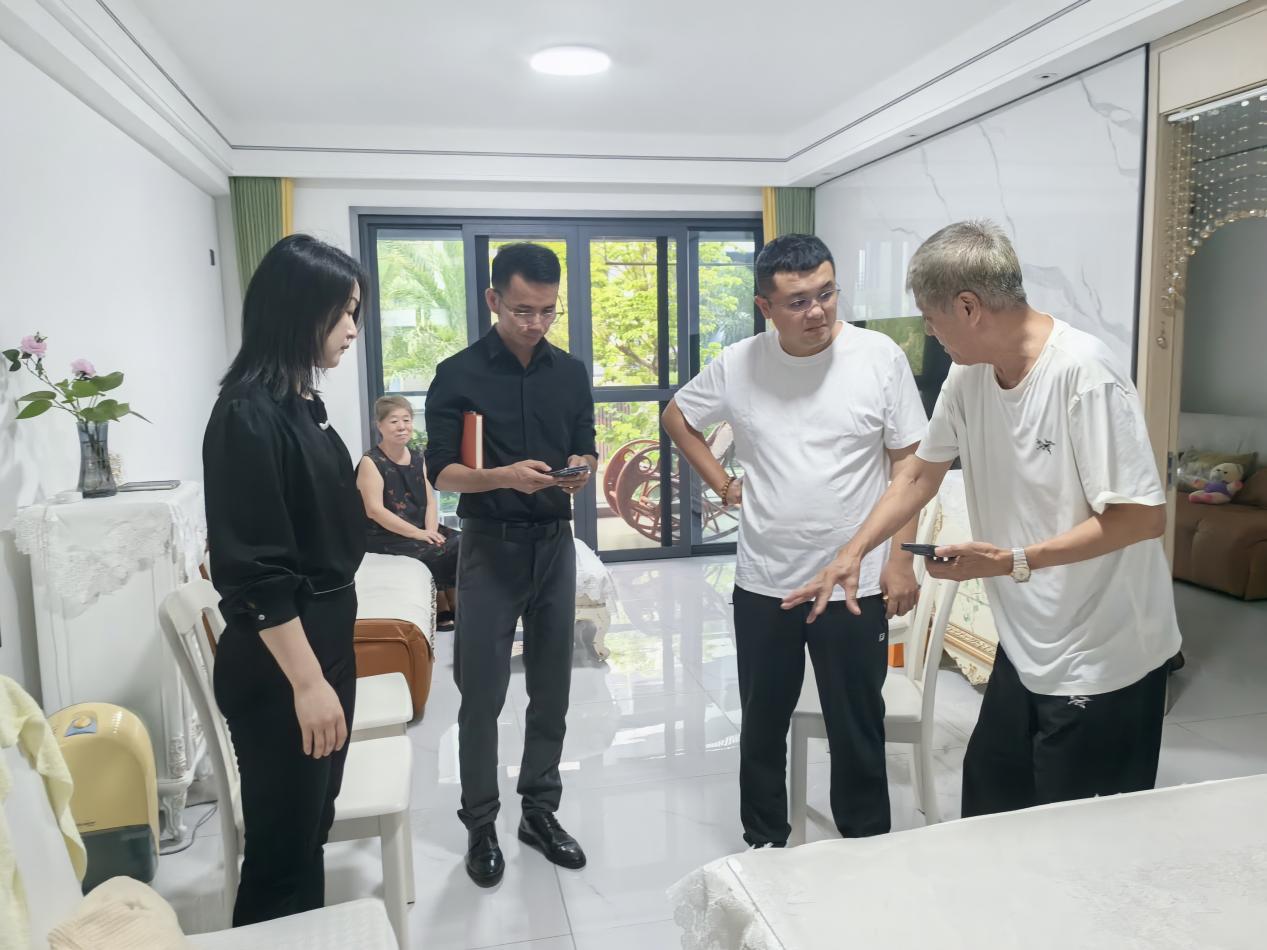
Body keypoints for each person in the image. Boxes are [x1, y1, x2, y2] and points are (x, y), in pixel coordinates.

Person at [784, 220, 1182, 818]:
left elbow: (1142, 517)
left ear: (968, 307)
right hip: (1027, 647)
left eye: (930, 317)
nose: (928, 330)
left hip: (1103, 658)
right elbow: (919, 475)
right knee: (990, 812)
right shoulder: (969, 374)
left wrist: (1015, 561)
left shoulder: (1084, 374)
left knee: (1076, 841)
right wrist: (854, 552)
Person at [663, 234, 928, 847]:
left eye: (827, 294)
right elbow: (677, 415)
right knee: (761, 725)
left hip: (855, 584)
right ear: (765, 307)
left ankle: (865, 845)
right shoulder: (739, 364)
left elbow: (909, 466)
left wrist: (899, 560)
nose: (817, 311)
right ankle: (765, 843)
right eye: (798, 301)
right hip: (765, 580)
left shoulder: (878, 357)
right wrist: (723, 482)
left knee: (857, 725)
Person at [203, 234, 367, 924]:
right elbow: (257, 572)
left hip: (324, 640)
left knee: (309, 834)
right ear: (300, 310)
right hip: (282, 666)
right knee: (280, 855)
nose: (353, 329)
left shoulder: (297, 403)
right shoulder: (247, 414)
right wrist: (307, 683)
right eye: (344, 312)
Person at [424, 242, 597, 887]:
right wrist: (503, 476)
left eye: (548, 311)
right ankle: (480, 823)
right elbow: (441, 471)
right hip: (488, 547)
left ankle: (539, 811)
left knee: (552, 688)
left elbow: (585, 443)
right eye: (523, 310)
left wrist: (581, 468)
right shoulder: (457, 374)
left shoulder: (570, 372)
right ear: (493, 299)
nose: (536, 323)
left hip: (554, 543)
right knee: (482, 694)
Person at [357, 395, 461, 629]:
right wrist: (418, 534)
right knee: (435, 550)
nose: (402, 426)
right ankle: (441, 604)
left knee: (460, 542)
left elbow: (430, 500)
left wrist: (431, 530)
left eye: (406, 420)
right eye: (394, 421)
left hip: (420, 528)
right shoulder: (371, 462)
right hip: (384, 534)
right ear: (379, 425)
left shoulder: (419, 457)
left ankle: (455, 601)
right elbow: (374, 511)